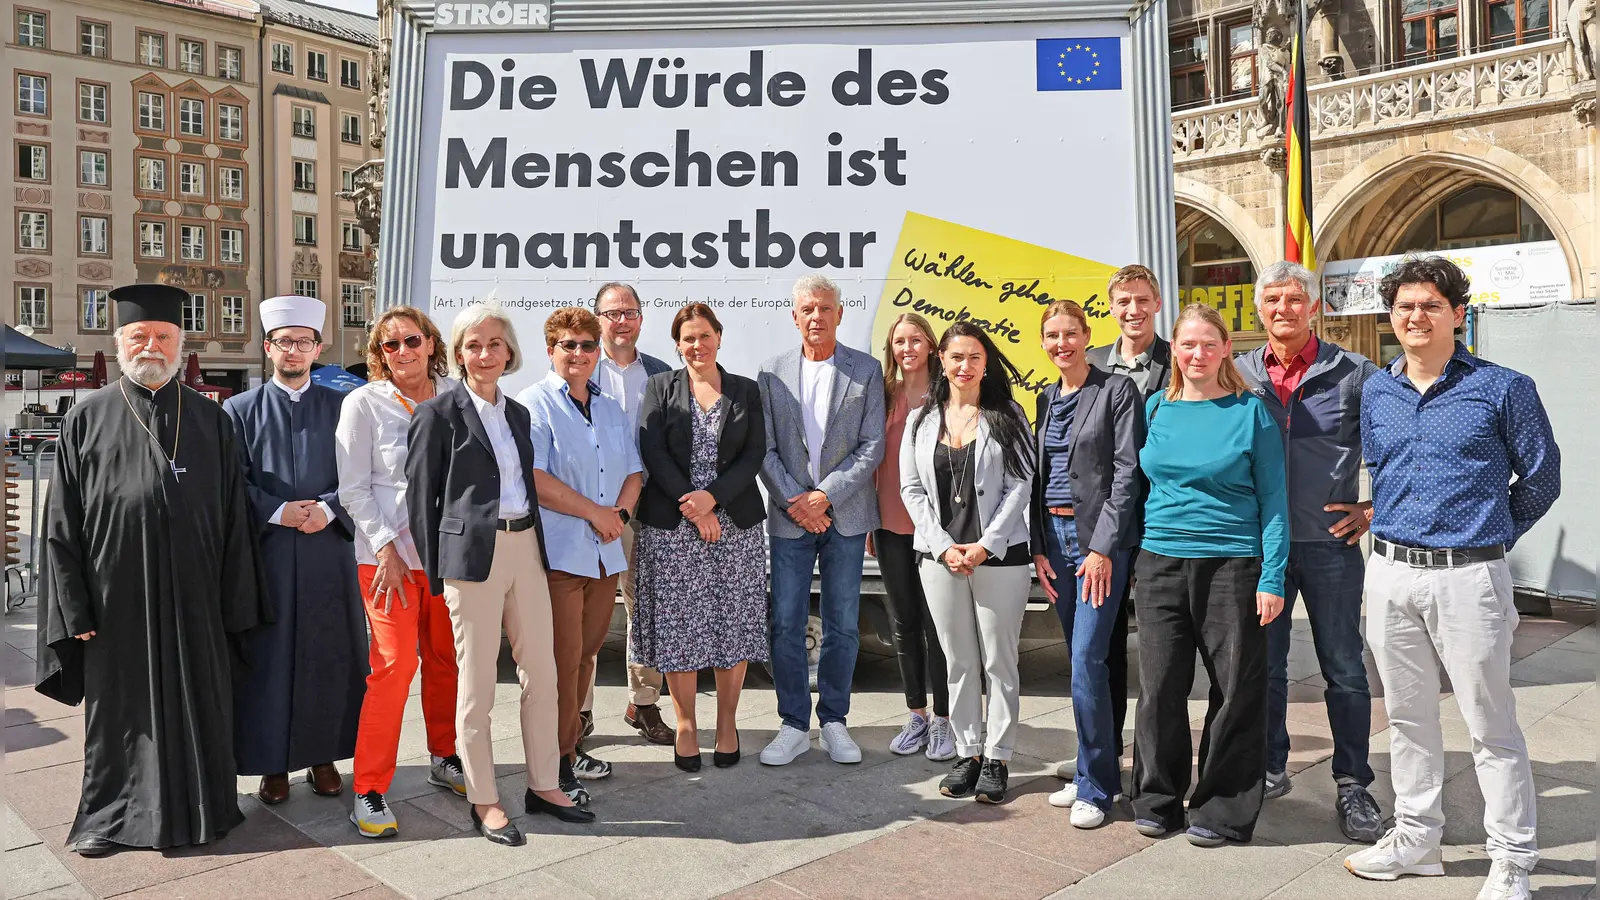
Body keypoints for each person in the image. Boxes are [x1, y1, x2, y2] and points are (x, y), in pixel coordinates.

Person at [1343, 257, 1560, 900]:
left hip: (1469, 577)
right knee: (1407, 719)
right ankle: (1417, 841)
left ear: (1458, 315)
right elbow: (1386, 475)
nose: (1416, 316)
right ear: (1391, 317)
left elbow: (1542, 479)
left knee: (1489, 723)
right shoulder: (1378, 391)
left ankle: (1512, 857)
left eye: (1431, 306)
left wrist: (1486, 534)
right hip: (1388, 572)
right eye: (1405, 306)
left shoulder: (1504, 388)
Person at [34, 283, 269, 856]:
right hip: (117, 597)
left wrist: (234, 599)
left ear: (180, 345)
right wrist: (73, 605)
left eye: (163, 336)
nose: (151, 345)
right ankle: (108, 817)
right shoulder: (86, 417)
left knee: (201, 699)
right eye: (139, 336)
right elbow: (61, 522)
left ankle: (206, 809)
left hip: (196, 594)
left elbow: (236, 518)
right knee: (119, 711)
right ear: (120, 343)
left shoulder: (213, 422)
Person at [409, 304, 594, 845]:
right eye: (473, 344)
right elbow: (423, 503)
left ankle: (543, 785)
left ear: (509, 352)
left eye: (494, 344)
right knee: (478, 686)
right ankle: (484, 799)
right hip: (472, 562)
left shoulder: (516, 414)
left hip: (524, 550)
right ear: (458, 352)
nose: (484, 353)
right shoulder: (437, 414)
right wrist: (437, 575)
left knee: (544, 674)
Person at [1235, 262, 1385, 843]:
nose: (1283, 308)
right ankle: (1270, 767)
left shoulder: (1355, 371)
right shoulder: (1239, 370)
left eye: (1294, 298)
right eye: (1272, 299)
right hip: (1260, 547)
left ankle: (1353, 784)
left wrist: (1371, 510)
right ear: (1259, 310)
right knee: (1264, 667)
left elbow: (1396, 444)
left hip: (1330, 546)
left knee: (1345, 670)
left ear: (1314, 306)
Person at [1130, 303, 1288, 847]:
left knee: (1236, 689)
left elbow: (1274, 501)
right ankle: (1157, 799)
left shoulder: (1251, 412)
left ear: (1226, 350)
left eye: (1209, 344)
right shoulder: (1155, 408)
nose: (1198, 354)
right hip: (1159, 562)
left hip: (1233, 565)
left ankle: (1221, 809)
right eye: (1187, 344)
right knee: (1158, 689)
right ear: (1173, 349)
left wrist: (1272, 577)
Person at [225, 296, 367, 805]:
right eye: (284, 342)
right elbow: (231, 482)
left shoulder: (343, 406)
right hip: (268, 555)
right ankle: (272, 766)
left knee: (327, 653)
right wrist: (279, 511)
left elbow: (361, 474)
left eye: (303, 342)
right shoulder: (237, 411)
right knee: (268, 659)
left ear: (318, 347)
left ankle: (324, 757)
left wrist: (328, 510)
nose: (293, 350)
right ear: (268, 348)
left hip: (328, 551)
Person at [336, 307, 465, 839]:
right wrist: (386, 546)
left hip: (450, 557)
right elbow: (353, 487)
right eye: (391, 345)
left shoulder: (459, 397)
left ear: (431, 343)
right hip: (387, 562)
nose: (403, 351)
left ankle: (445, 754)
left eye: (413, 340)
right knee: (392, 668)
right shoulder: (363, 403)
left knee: (446, 661)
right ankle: (368, 786)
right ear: (379, 353)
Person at [900, 321, 1035, 804]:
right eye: (956, 356)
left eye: (974, 357)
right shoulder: (921, 419)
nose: (964, 366)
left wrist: (985, 544)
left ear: (986, 362)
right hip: (940, 558)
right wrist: (942, 546)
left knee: (1000, 660)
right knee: (958, 661)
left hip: (998, 557)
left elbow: (1022, 485)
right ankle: (967, 752)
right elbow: (911, 489)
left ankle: (998, 756)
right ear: (942, 360)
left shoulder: (1008, 415)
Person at [633, 303, 769, 771]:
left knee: (732, 623)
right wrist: (694, 505)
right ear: (677, 344)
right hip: (674, 525)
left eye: (704, 335)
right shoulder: (659, 387)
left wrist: (713, 499)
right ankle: (687, 724)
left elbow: (754, 455)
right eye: (688, 338)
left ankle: (727, 723)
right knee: (680, 627)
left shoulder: (746, 391)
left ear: (719, 337)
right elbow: (652, 449)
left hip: (735, 523)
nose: (697, 345)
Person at [516, 307, 643, 805]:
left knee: (587, 657)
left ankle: (570, 747)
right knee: (560, 662)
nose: (579, 354)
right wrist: (596, 513)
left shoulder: (609, 407)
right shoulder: (534, 404)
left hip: (605, 555)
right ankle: (556, 763)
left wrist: (621, 517)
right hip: (561, 555)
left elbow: (633, 471)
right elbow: (537, 479)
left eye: (587, 346)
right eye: (568, 345)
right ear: (551, 350)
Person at [757, 274, 886, 767]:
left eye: (824, 309)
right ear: (795, 316)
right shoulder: (771, 372)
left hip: (846, 517)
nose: (816, 317)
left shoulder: (866, 370)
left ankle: (834, 720)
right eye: (807, 309)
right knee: (786, 622)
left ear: (839, 313)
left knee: (842, 624)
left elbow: (871, 446)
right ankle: (792, 723)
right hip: (791, 517)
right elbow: (764, 448)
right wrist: (797, 500)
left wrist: (822, 497)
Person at [1029, 301, 1145, 828]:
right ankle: (1088, 770)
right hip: (1054, 540)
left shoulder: (1116, 391)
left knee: (1086, 662)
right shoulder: (1046, 397)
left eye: (1070, 334)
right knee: (1084, 665)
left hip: (1098, 545)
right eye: (1052, 336)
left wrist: (1102, 548)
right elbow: (1037, 478)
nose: (1061, 344)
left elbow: (1127, 474)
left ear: (1086, 336)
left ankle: (1096, 789)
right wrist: (1036, 547)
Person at [1063, 264, 1172, 782]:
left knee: (1154, 649)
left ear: (1157, 303)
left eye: (1142, 300)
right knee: (1099, 651)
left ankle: (1148, 765)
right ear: (1110, 308)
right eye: (1123, 301)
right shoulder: (1094, 364)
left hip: (1159, 523)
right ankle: (1101, 755)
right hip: (1104, 529)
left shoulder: (1178, 362)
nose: (1133, 310)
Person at [589, 282, 675, 746]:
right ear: (597, 317)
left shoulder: (661, 372)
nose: (622, 320)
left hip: (651, 505)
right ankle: (579, 712)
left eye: (631, 312)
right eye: (613, 312)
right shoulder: (581, 366)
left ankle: (643, 703)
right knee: (591, 607)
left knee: (647, 606)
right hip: (598, 505)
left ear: (641, 318)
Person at [873, 313, 956, 762]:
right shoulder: (883, 396)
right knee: (903, 623)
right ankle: (917, 715)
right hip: (889, 524)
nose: (907, 348)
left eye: (915, 340)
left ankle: (944, 720)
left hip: (935, 529)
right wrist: (870, 520)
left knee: (936, 624)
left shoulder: (947, 393)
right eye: (898, 341)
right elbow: (872, 459)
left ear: (929, 345)